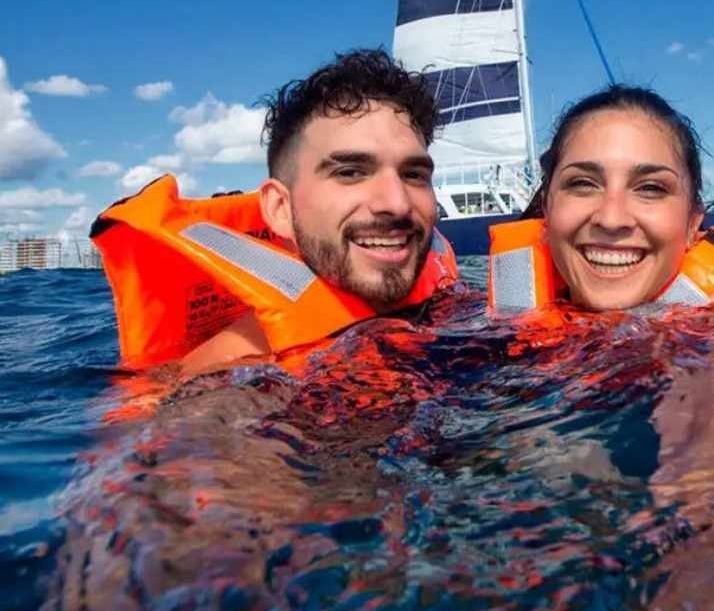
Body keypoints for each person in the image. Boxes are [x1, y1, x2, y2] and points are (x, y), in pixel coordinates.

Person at [95, 48, 457, 373]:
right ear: (280, 208)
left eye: (413, 174)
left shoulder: (454, 308)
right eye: (350, 173)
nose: (396, 203)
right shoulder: (227, 382)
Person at [488, 85, 714, 313]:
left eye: (650, 188)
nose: (611, 219)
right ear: (547, 211)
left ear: (692, 224)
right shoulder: (478, 334)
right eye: (583, 183)